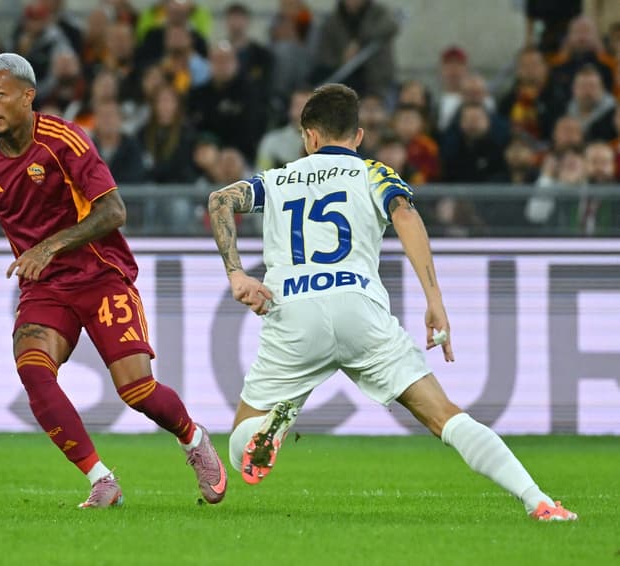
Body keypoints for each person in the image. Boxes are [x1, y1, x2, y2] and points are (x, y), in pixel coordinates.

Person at [206, 83, 577, 521]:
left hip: (293, 314)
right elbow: (405, 215)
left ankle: (274, 423)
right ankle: (539, 502)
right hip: (360, 309)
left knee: (236, 446)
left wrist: (236, 274)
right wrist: (434, 300)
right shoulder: (373, 173)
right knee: (445, 416)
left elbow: (220, 200)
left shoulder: (276, 179)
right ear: (358, 136)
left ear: (309, 136)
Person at [0, 52, 225, 508]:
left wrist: (49, 245)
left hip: (101, 276)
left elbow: (114, 211)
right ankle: (102, 479)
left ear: (27, 96)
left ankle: (194, 440)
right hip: (45, 287)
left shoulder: (65, 141)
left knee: (136, 389)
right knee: (34, 372)